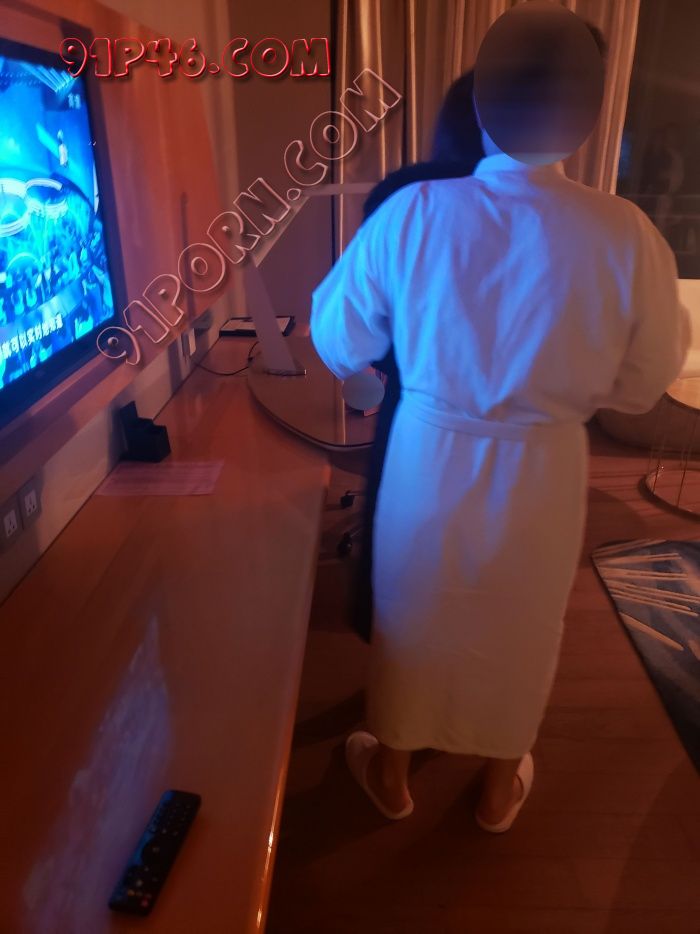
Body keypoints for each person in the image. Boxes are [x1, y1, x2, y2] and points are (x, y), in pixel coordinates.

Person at [310, 9, 689, 832]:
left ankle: (393, 771)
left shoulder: (413, 212)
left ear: (481, 101)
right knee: (522, 620)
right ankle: (496, 783)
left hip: (427, 455)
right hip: (546, 465)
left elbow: (339, 339)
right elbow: (643, 385)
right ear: (587, 117)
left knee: (416, 609)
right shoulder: (627, 234)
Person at [351, 70, 485, 644]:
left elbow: (367, 320)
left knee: (401, 554)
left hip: (415, 402)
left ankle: (395, 666)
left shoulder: (402, 195)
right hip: (509, 421)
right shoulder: (551, 212)